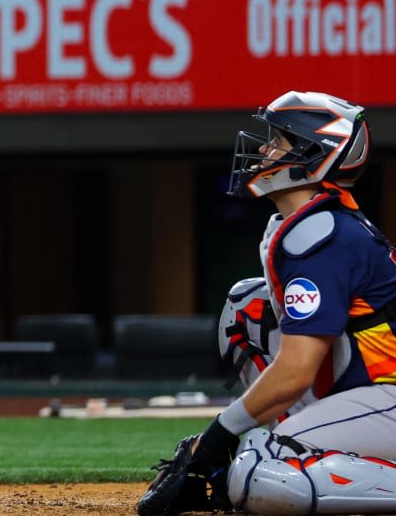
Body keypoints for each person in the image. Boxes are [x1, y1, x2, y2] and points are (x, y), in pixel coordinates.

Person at [137, 92, 396, 516]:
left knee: (261, 471)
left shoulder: (324, 235)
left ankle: (293, 451)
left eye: (279, 141)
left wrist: (217, 437)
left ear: (312, 156)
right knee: (247, 306)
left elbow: (295, 372)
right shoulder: (311, 222)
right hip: (365, 391)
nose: (263, 150)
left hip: (387, 396)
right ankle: (299, 444)